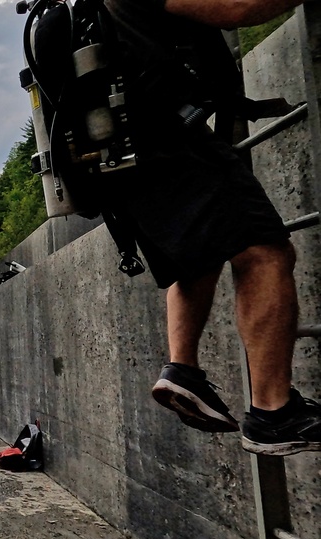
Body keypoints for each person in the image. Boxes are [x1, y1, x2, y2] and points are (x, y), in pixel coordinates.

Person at [99, 0, 321, 454]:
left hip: (122, 158)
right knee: (264, 252)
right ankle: (273, 413)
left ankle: (182, 369)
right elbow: (236, 6)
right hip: (169, 137)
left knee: (196, 255)